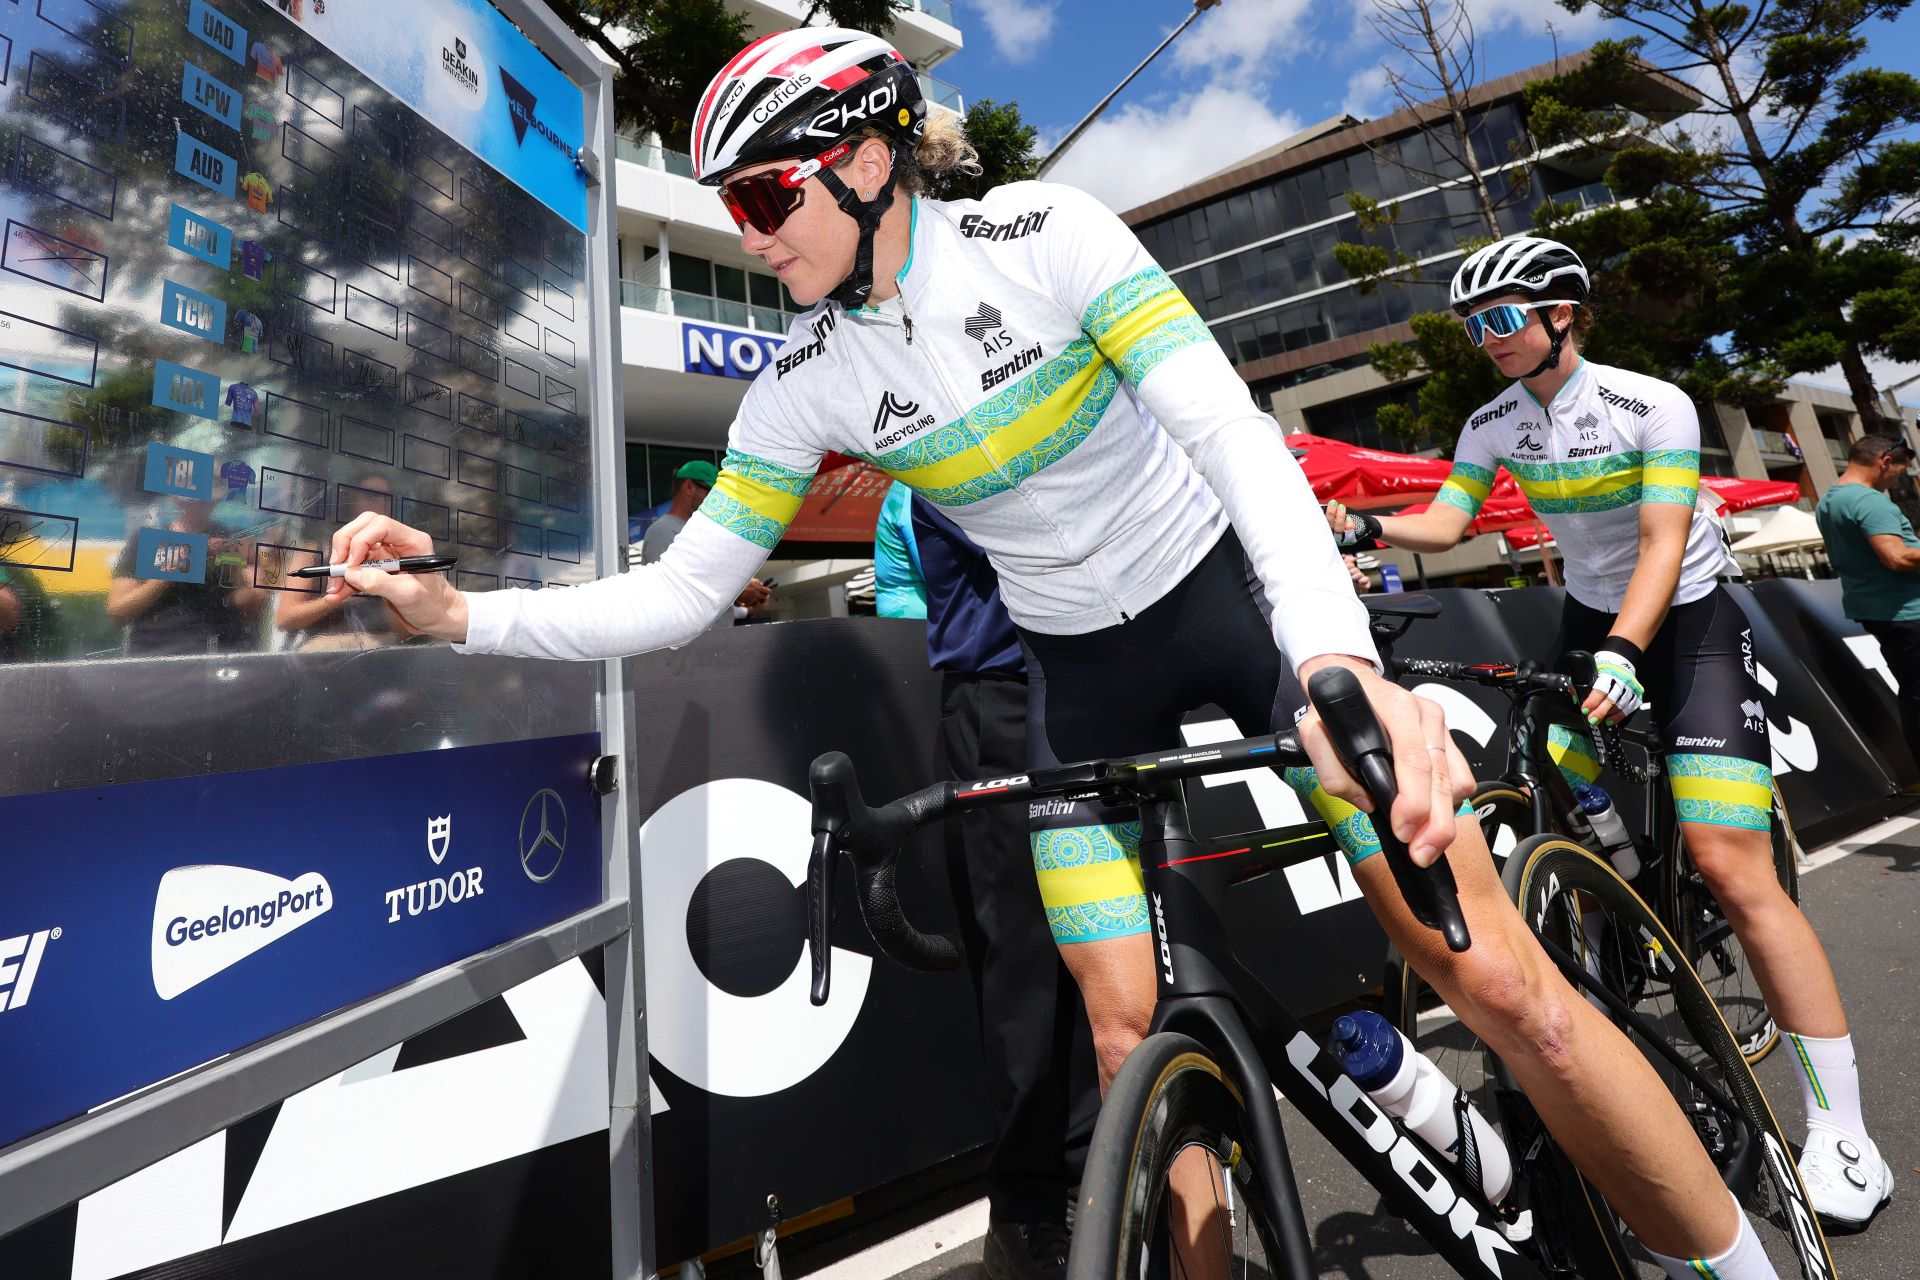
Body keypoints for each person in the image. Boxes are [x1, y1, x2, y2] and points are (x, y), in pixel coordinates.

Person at [324, 31, 1780, 1277]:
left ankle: (1733, 1252)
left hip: (1231, 607)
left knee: (1499, 981)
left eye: (767, 194)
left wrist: (1341, 662)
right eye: (731, 206)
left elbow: (1231, 439)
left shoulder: (1048, 236)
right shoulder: (807, 383)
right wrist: (464, 615)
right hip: (1074, 681)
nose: (751, 232)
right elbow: (684, 593)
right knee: (1121, 1037)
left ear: (870, 160)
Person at [1329, 234, 1893, 1233]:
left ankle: (1843, 1126)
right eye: (1474, 324)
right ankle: (1612, 903)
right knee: (1551, 776)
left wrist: (1630, 650)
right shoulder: (1493, 420)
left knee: (1732, 866)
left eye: (1501, 318)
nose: (1486, 339)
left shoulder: (1651, 403)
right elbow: (1455, 522)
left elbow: (1664, 540)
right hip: (1594, 618)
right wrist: (1369, 531)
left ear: (1562, 315)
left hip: (1689, 619)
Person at [875, 480, 1090, 1280]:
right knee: (1027, 966)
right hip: (1002, 699)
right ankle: (1032, 1208)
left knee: (1109, 944)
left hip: (1084, 686)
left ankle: (1118, 1159)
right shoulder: (941, 449)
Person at [1814, 432, 1920, 755]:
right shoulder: (1868, 500)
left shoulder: (1828, 501)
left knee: (1915, 693)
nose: (1896, 479)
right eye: (1898, 471)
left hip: (1881, 612)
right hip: (1908, 613)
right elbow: (1896, 556)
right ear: (1885, 461)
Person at [638, 459, 771, 626]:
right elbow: (673, 595)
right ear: (688, 487)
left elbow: (708, 587)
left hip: (713, 645)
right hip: (690, 649)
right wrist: (737, 591)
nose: (719, 501)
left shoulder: (702, 532)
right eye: (713, 492)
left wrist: (747, 594)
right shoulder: (663, 532)